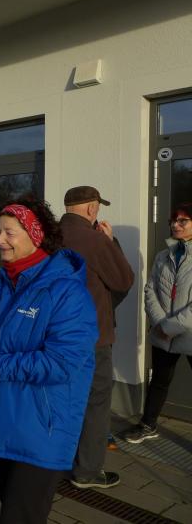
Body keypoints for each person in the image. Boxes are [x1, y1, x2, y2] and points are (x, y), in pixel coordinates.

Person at [0, 198, 98, 524]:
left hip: (43, 427)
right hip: (3, 419)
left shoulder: (67, 291)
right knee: (14, 510)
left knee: (20, 516)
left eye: (9, 232)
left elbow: (62, 362)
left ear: (36, 235)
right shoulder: (3, 283)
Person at [60, 185, 134, 489]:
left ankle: (57, 460)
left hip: (55, 334)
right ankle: (87, 471)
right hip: (92, 336)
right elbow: (123, 279)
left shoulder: (47, 237)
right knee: (95, 401)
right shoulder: (95, 240)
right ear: (92, 208)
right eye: (97, 207)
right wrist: (111, 241)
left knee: (64, 398)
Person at [124, 202, 192, 444]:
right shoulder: (163, 255)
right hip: (163, 331)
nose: (176, 225)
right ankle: (148, 425)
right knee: (160, 381)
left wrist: (170, 327)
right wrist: (160, 323)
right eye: (173, 221)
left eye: (183, 221)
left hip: (188, 333)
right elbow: (150, 289)